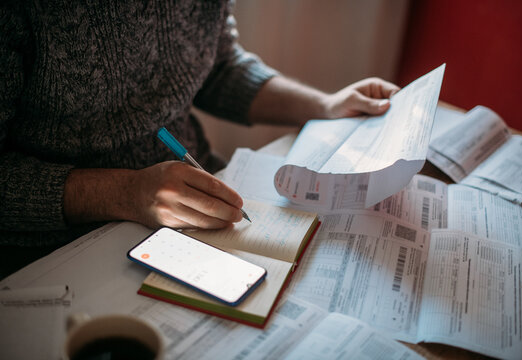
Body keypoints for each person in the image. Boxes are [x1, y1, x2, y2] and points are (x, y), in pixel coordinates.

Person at [0, 1, 400, 277]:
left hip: (196, 205)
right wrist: (125, 192)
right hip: (53, 250)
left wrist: (324, 105)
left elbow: (218, 66)